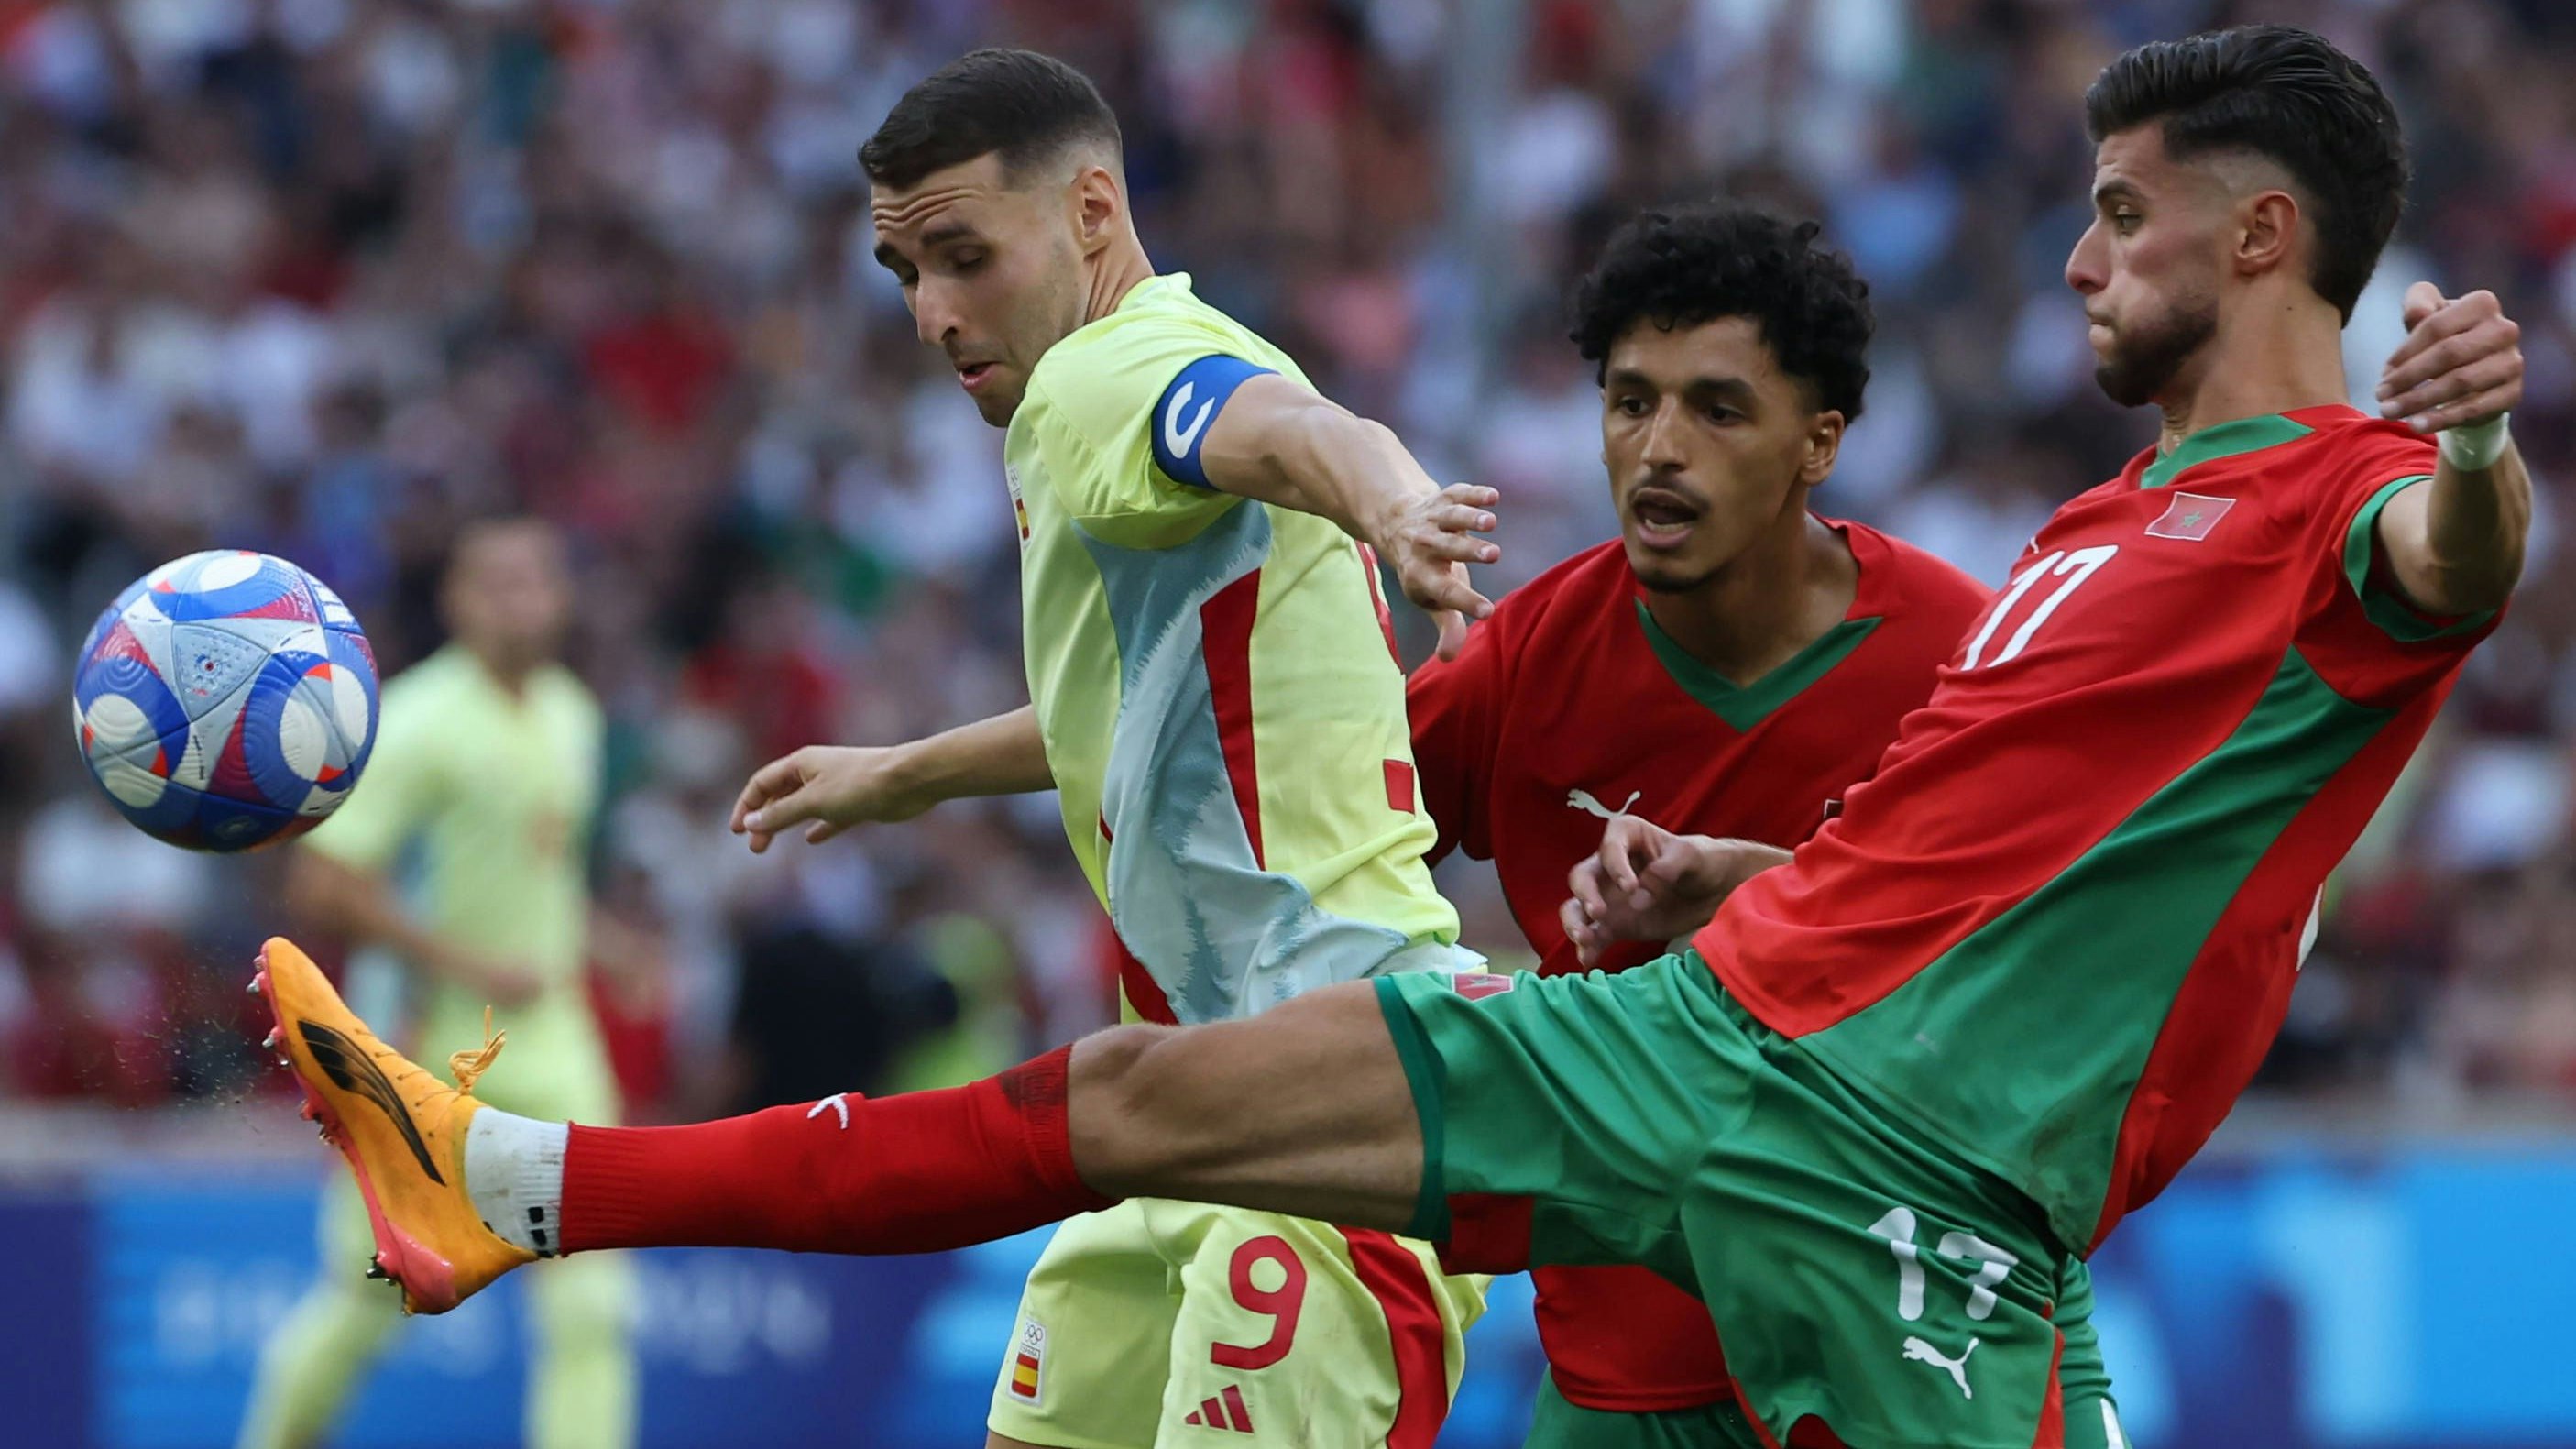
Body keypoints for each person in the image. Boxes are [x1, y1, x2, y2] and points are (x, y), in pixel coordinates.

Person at [253, 26, 2530, 1447]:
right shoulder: (2083, 525)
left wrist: (2467, 457)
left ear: (2258, 238)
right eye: (1623, 398)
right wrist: (1727, 888)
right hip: (1702, 1040)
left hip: (1906, 1191)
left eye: (2120, 216)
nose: (2071, 257)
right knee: (1137, 1092)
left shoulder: (2326, 510)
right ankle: (520, 1179)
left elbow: (2440, 578)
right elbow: (1966, 848)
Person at [573, 47, 1499, 1449]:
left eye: (961, 256)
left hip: (1333, 1108)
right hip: (1188, 1098)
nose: (935, 314)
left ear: (1086, 213)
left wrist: (1394, 504)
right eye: (904, 276)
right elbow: (1139, 702)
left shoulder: (1107, 376)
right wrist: (904, 770)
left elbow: (1303, 433)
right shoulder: (1123, 379)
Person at [1406, 202, 2122, 1446]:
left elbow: (2059, 976)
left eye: (1716, 408)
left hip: (1925, 1356)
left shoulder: (1962, 663)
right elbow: (1290, 815)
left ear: (1817, 441)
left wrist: (1757, 894)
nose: (1659, 448)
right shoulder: (1519, 664)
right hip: (1627, 1391)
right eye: (1629, 402)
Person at [237, 519, 638, 1449]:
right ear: (456, 601)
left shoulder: (575, 714)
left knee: (594, 1307)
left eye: (535, 579)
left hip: (554, 1045)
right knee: (368, 1299)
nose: (519, 600)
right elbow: (323, 884)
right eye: (494, 582)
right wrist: (470, 965)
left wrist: (603, 943)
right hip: (425, 1051)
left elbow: (542, 879)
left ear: (563, 597)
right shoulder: (417, 723)